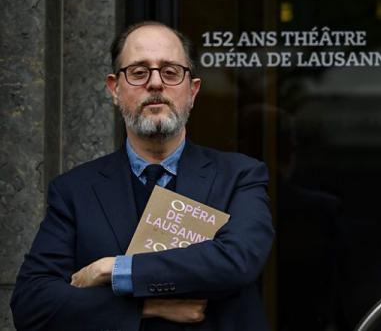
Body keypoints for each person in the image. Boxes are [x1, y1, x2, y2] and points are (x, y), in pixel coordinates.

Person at [11, 22, 274, 330]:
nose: (155, 84)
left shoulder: (240, 176)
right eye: (138, 72)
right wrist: (147, 306)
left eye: (171, 71)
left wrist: (116, 269)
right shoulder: (74, 191)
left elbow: (237, 260)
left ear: (193, 90)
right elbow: (32, 303)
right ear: (114, 89)